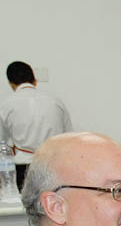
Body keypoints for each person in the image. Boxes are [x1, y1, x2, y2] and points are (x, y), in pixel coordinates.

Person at [0, 61, 73, 189]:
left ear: (11, 84)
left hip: (23, 168)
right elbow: (69, 136)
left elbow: (2, 142)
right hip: (53, 165)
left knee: (26, 207)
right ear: (35, 80)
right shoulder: (55, 101)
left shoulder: (6, 105)